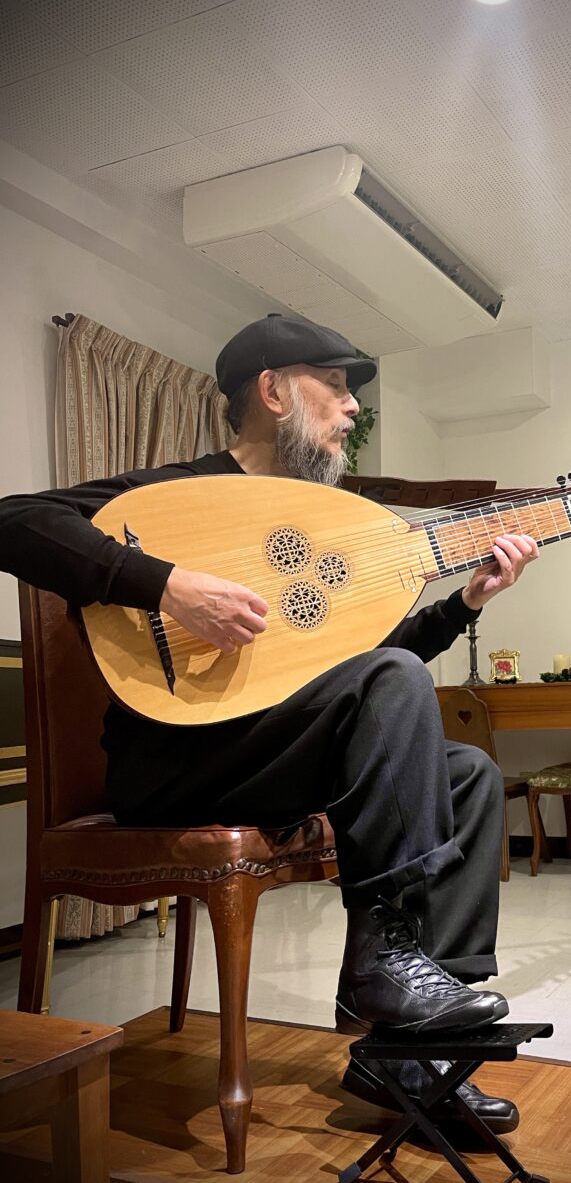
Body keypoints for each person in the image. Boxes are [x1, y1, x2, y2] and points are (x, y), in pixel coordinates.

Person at [0, 313, 539, 1134]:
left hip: (264, 753)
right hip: (173, 765)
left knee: (468, 774)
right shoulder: (180, 492)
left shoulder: (316, 519)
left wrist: (464, 605)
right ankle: (386, 970)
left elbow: (372, 670)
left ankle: (415, 1054)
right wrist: (168, 585)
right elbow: (12, 520)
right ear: (274, 392)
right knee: (396, 690)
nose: (354, 407)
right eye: (338, 385)